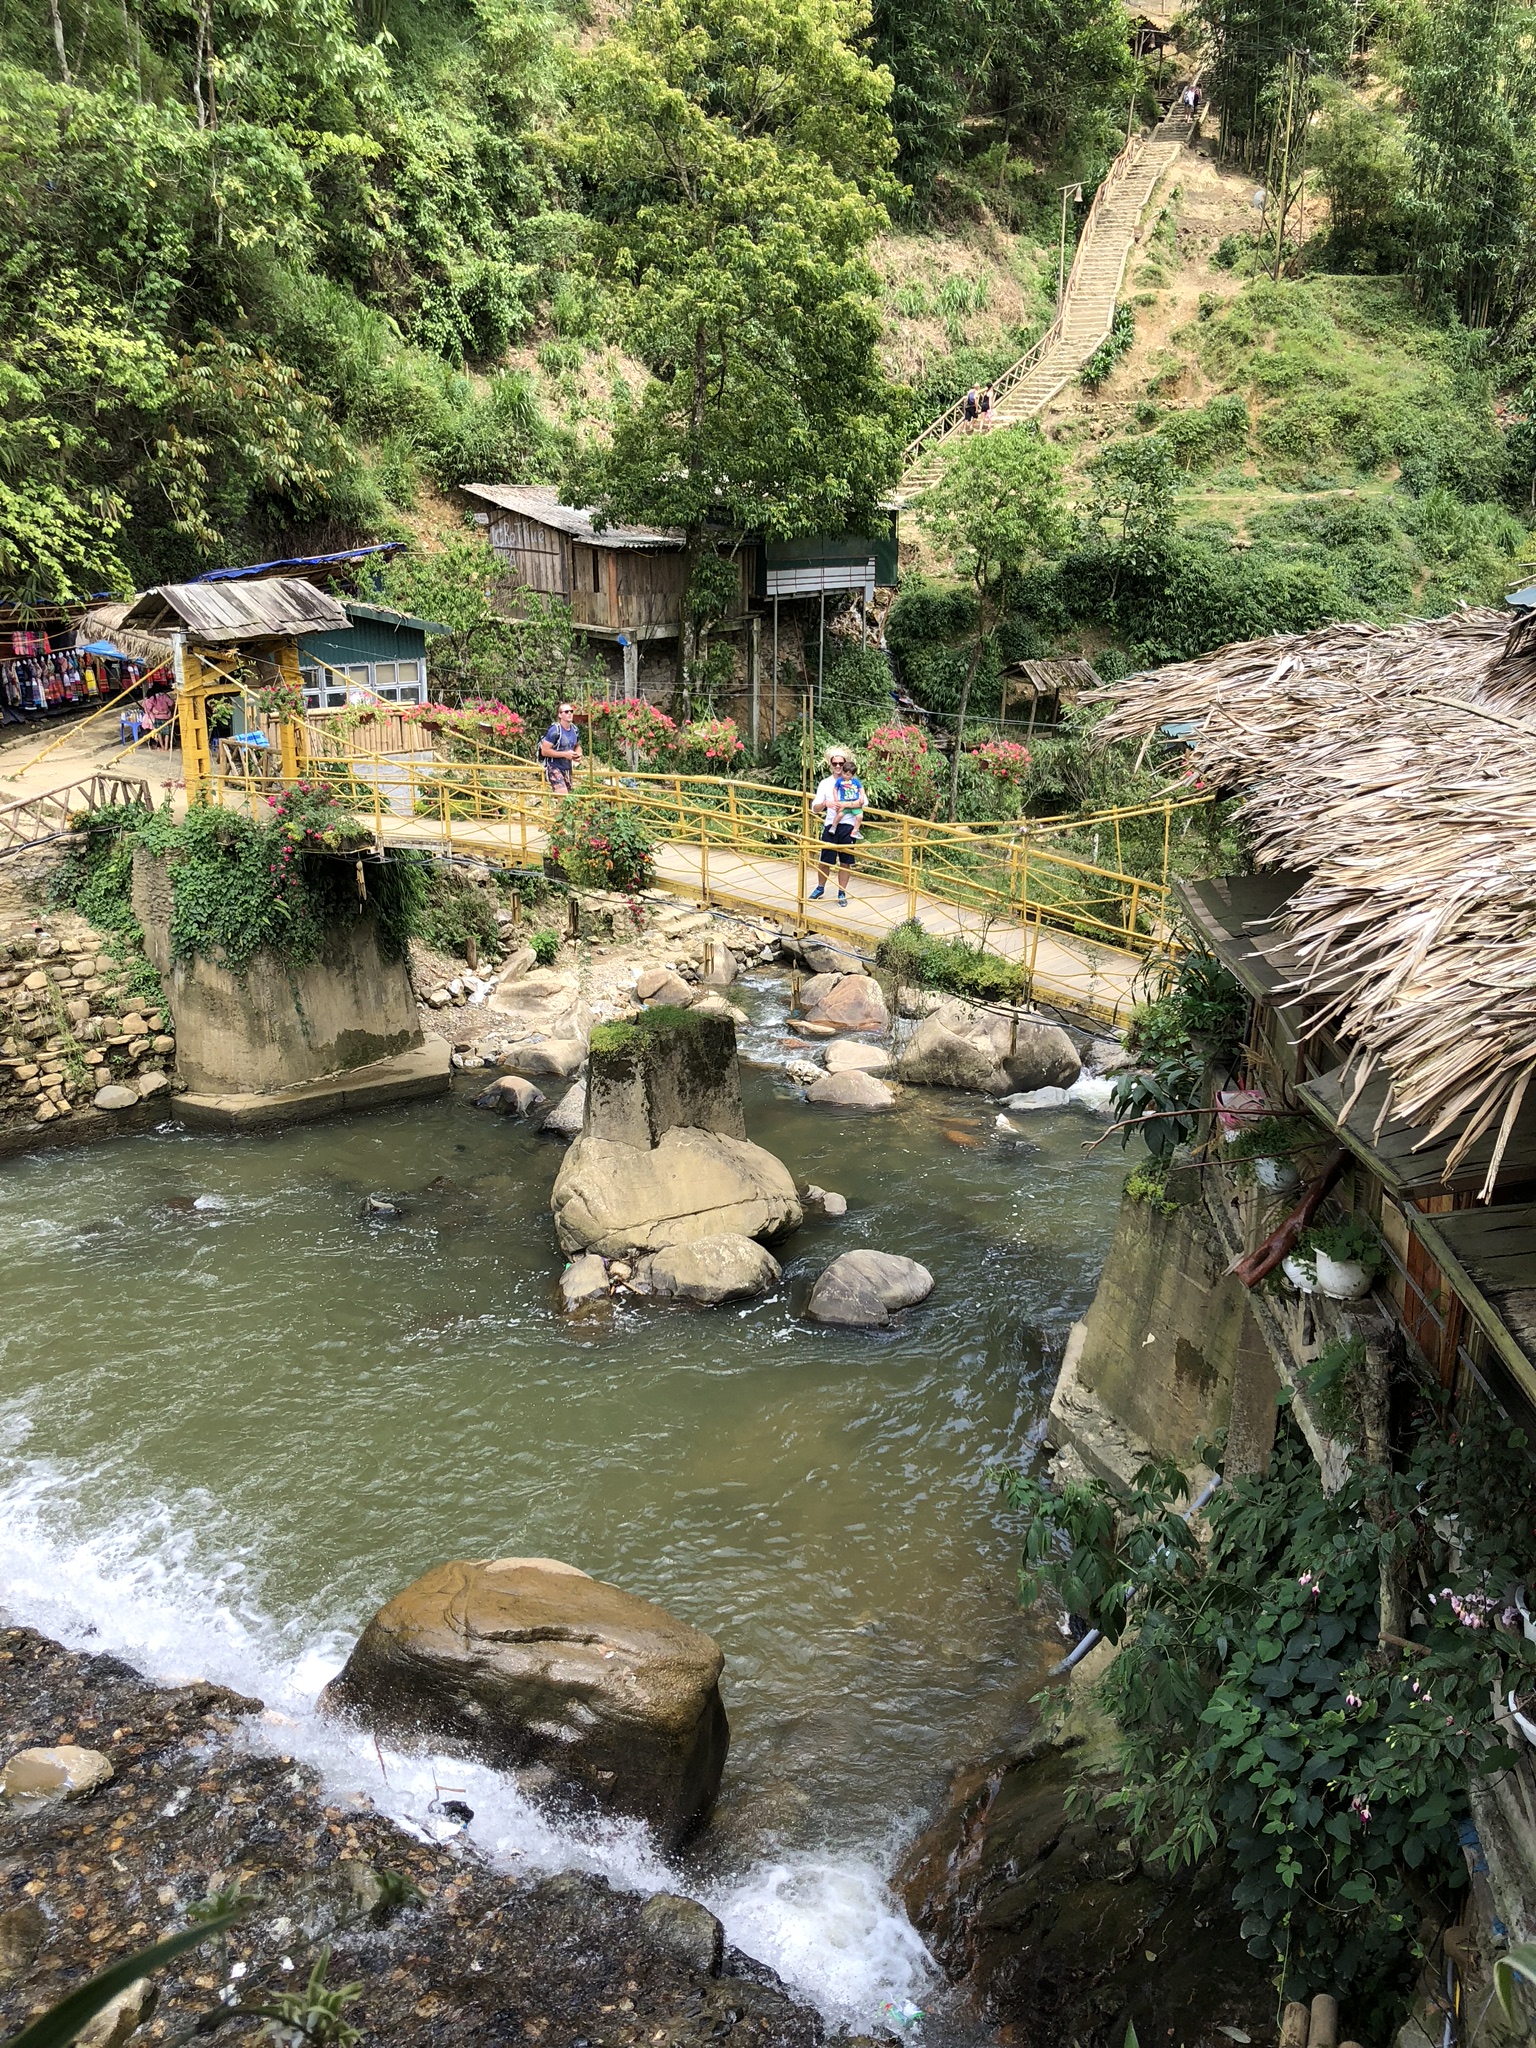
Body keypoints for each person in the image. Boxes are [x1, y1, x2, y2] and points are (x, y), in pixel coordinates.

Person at [809, 748, 866, 907]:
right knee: (825, 859)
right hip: (831, 824)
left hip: (848, 825)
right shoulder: (825, 783)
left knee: (845, 861)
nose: (838, 766)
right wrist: (827, 804)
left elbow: (863, 802)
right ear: (830, 764)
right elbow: (815, 807)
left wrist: (845, 804)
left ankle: (842, 891)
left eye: (841, 763)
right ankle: (820, 887)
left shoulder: (854, 782)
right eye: (835, 763)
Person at [540, 700, 582, 792]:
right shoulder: (554, 731)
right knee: (563, 795)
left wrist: (578, 754)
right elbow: (544, 751)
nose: (569, 713)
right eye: (566, 712)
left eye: (571, 711)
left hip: (567, 768)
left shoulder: (575, 730)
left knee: (567, 802)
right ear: (560, 715)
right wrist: (565, 754)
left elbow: (577, 745)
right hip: (553, 766)